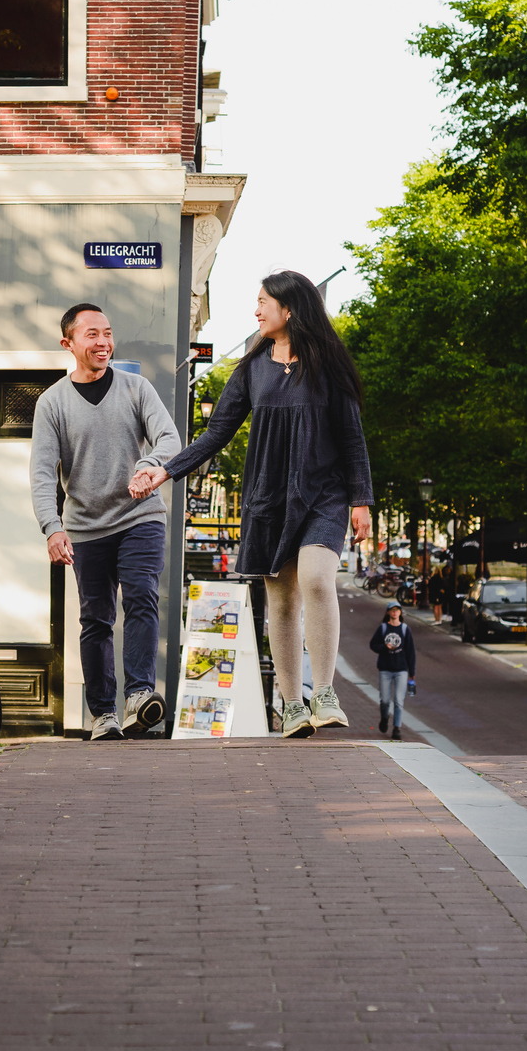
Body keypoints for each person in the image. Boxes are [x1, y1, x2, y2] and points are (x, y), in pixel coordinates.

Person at [131, 269, 373, 739]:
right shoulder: (252, 369)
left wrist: (361, 500)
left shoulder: (329, 366)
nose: (256, 309)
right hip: (269, 497)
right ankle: (291, 704)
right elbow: (217, 432)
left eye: (263, 301)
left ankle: (322, 691)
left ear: (290, 309)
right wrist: (166, 470)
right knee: (281, 600)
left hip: (324, 495)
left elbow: (352, 439)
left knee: (318, 579)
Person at [30, 303, 180, 741]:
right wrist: (52, 527)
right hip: (86, 527)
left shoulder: (136, 388)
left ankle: (138, 695)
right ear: (69, 343)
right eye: (92, 334)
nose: (103, 343)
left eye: (108, 333)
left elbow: (169, 439)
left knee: (141, 596)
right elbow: (42, 472)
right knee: (95, 619)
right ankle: (103, 714)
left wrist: (149, 464)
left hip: (141, 516)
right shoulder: (52, 403)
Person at [369, 603, 415, 740]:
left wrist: (412, 672)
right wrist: (384, 647)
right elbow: (373, 644)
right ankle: (384, 718)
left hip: (401, 670)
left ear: (400, 613)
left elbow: (410, 652)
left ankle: (397, 728)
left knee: (399, 700)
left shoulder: (405, 629)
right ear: (388, 613)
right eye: (392, 610)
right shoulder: (383, 628)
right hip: (385, 669)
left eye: (397, 611)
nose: (395, 613)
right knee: (384, 700)